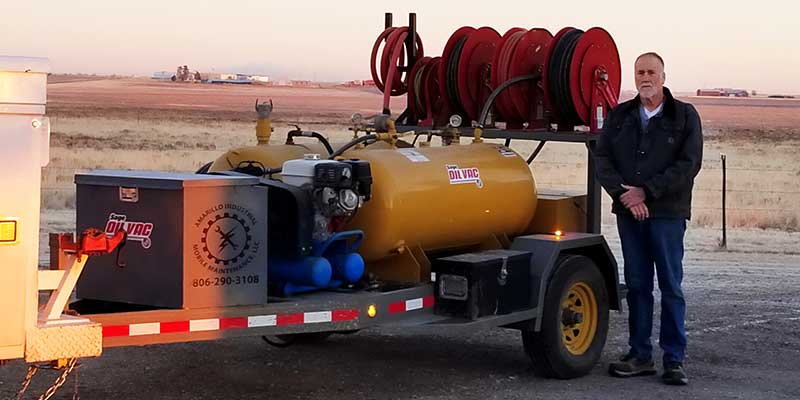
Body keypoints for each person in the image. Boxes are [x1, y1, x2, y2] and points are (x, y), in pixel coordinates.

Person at [593, 52, 703, 385]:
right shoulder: (620, 116)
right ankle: (640, 355)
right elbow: (602, 158)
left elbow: (689, 164)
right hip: (631, 216)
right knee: (638, 286)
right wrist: (624, 195)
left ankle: (674, 359)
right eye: (640, 72)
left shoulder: (684, 116)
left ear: (663, 76)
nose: (645, 77)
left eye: (651, 72)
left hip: (667, 216)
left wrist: (647, 192)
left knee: (671, 286)